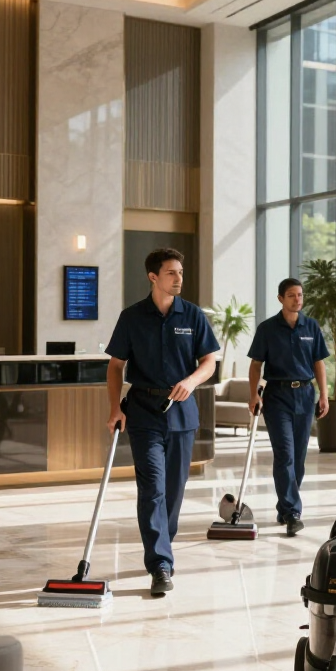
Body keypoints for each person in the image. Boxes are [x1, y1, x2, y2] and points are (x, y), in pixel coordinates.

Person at [106, 248, 220, 596]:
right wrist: (115, 408)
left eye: (181, 272)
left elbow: (210, 361)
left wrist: (192, 381)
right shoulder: (132, 317)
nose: (179, 278)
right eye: (172, 273)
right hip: (142, 413)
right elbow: (115, 366)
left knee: (173, 492)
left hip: (182, 414)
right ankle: (159, 565)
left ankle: (163, 546)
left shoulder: (193, 315)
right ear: (153, 277)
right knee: (153, 488)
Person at [247, 278, 329, 536]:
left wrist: (324, 395)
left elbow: (319, 363)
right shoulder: (268, 328)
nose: (298, 299)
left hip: (305, 394)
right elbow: (255, 365)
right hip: (277, 397)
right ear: (281, 298)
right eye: (292, 295)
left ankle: (285, 506)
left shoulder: (311, 326)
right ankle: (293, 512)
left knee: (300, 459)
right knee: (285, 454)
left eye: (300, 295)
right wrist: (253, 395)